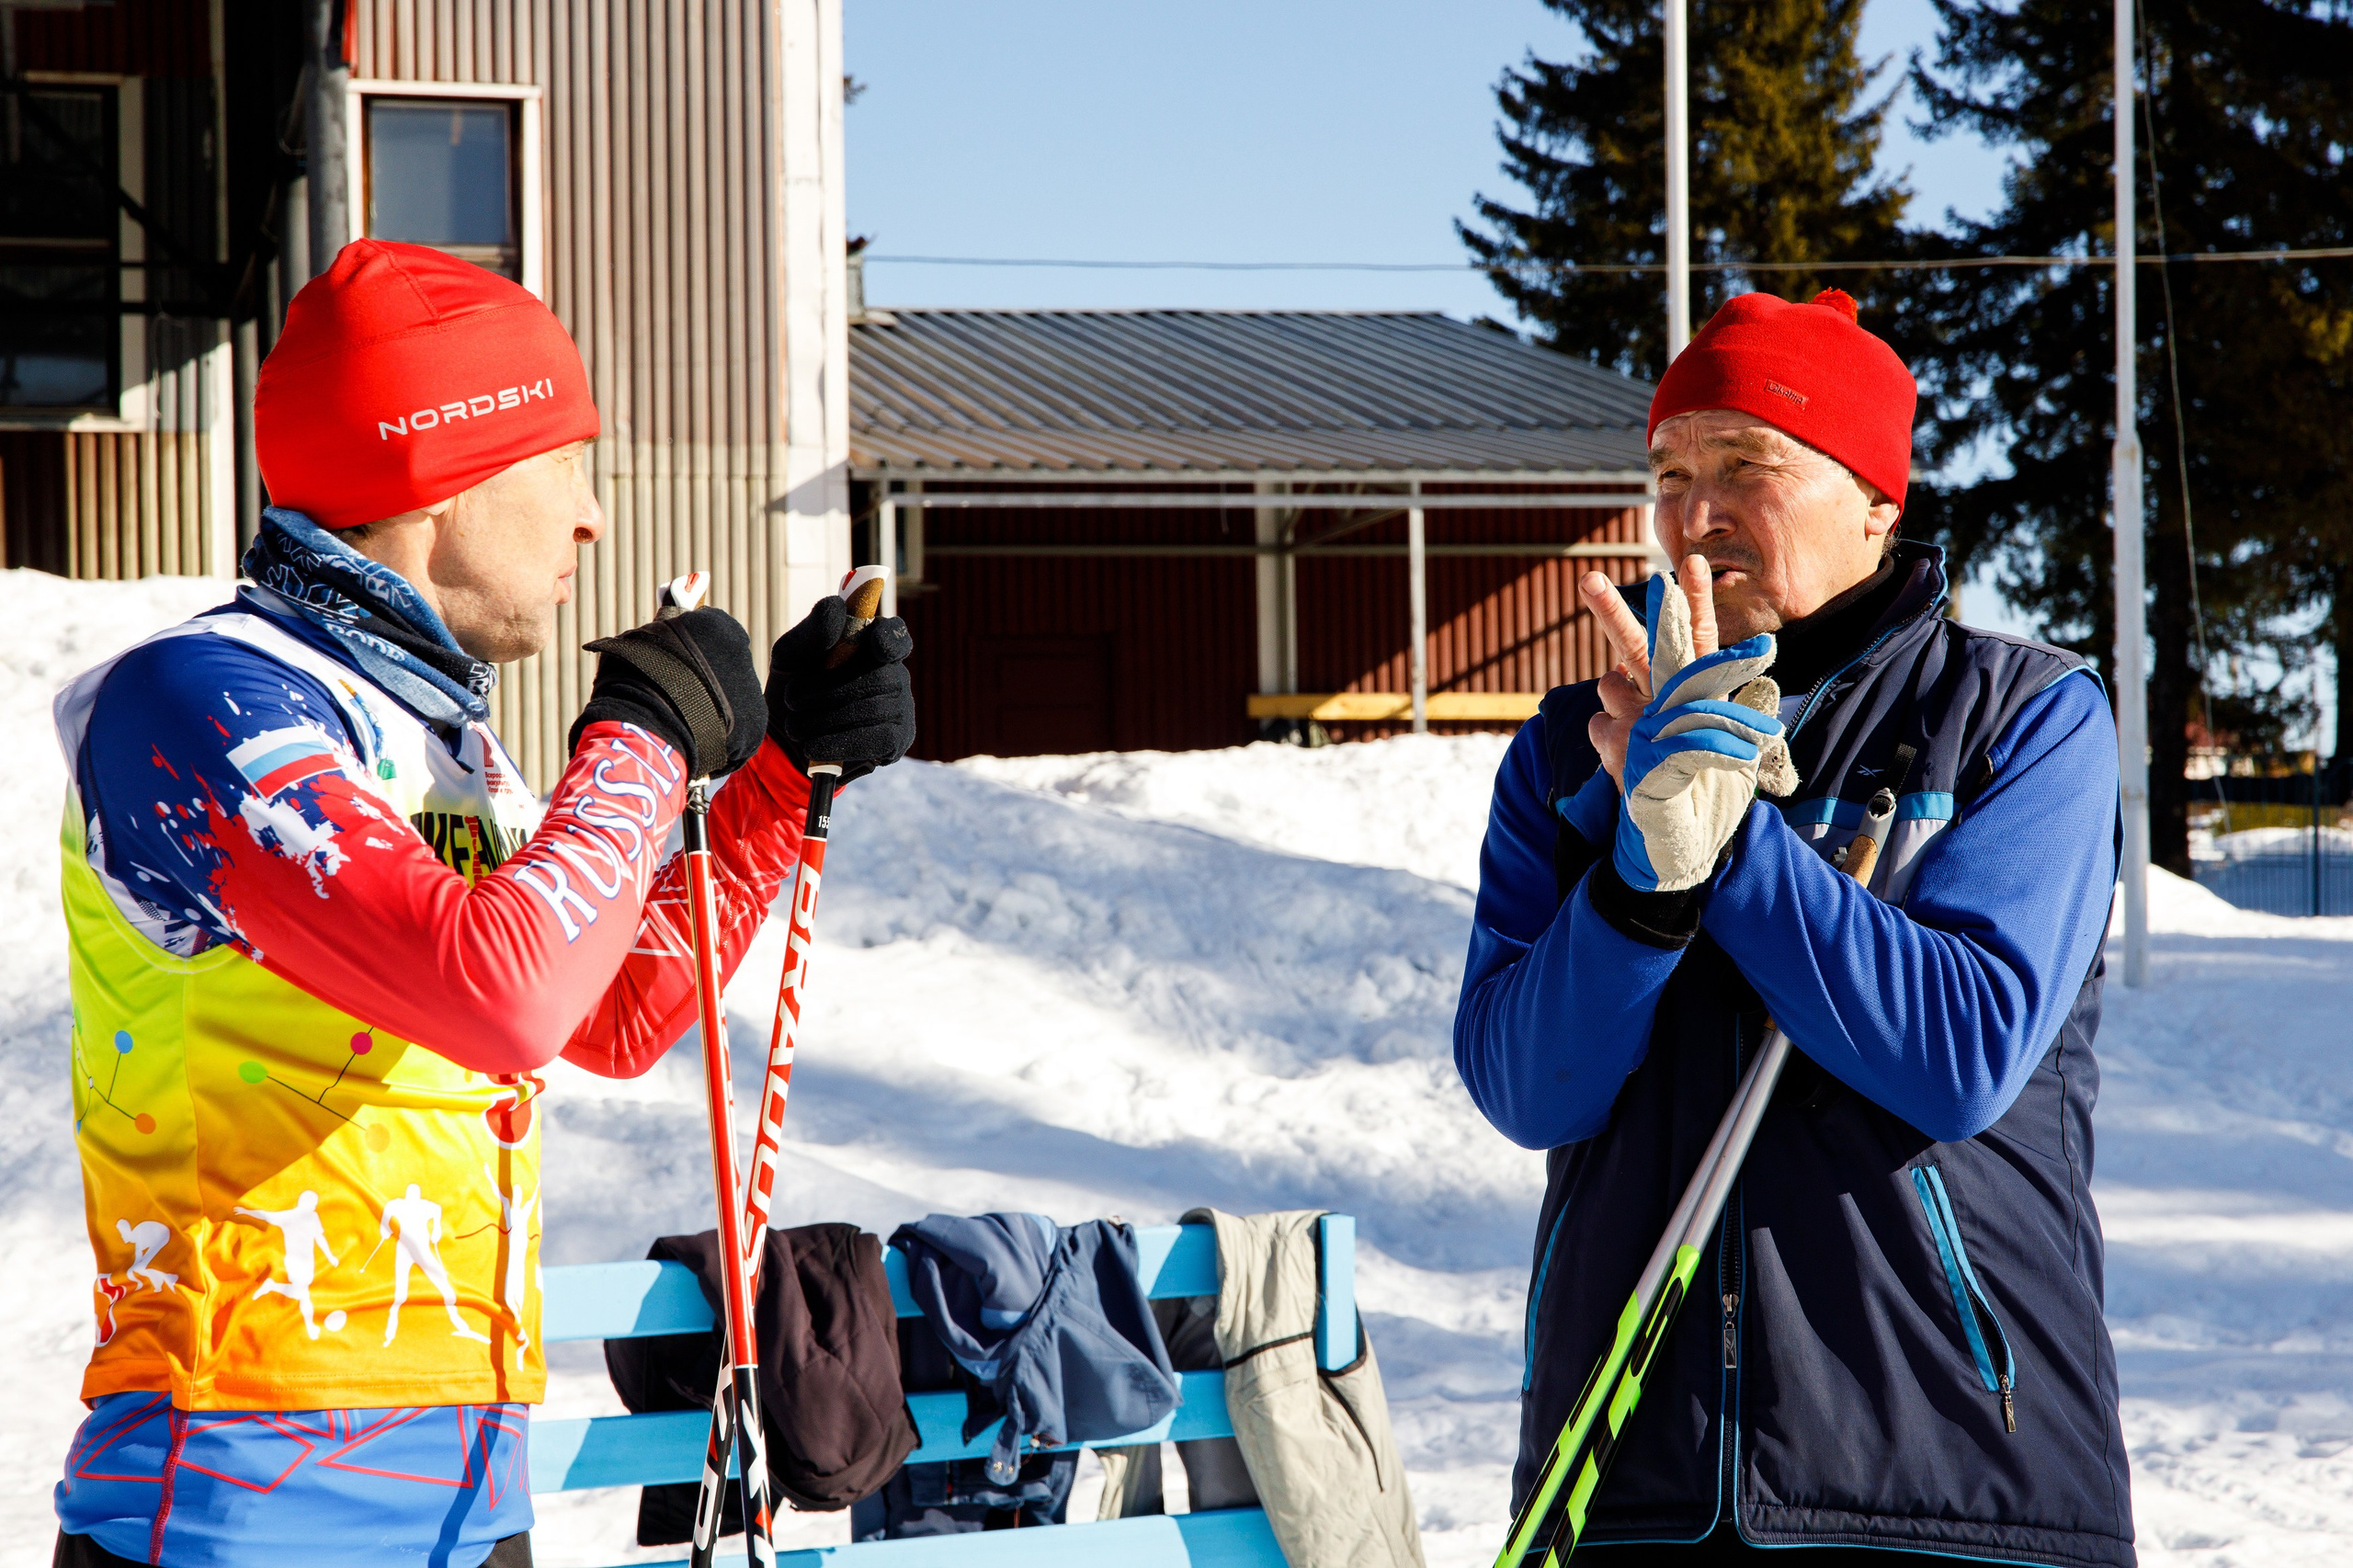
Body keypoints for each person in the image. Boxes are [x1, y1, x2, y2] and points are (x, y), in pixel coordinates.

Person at [50, 239, 916, 1568]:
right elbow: (500, 988)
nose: (592, 517)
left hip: (472, 1501)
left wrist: (776, 774)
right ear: (440, 473)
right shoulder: (201, 703)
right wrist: (642, 734)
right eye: (565, 461)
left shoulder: (443, 744)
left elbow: (609, 1009)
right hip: (239, 1514)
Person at [1454, 290, 2132, 1566]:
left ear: (1877, 500)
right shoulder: (1571, 747)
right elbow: (1523, 1080)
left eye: (1745, 465)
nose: (1695, 513)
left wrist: (1744, 852)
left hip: (1955, 1487)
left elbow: (1960, 1048)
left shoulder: (2019, 720)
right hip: (1629, 1486)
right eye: (1668, 471)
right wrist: (1642, 888)